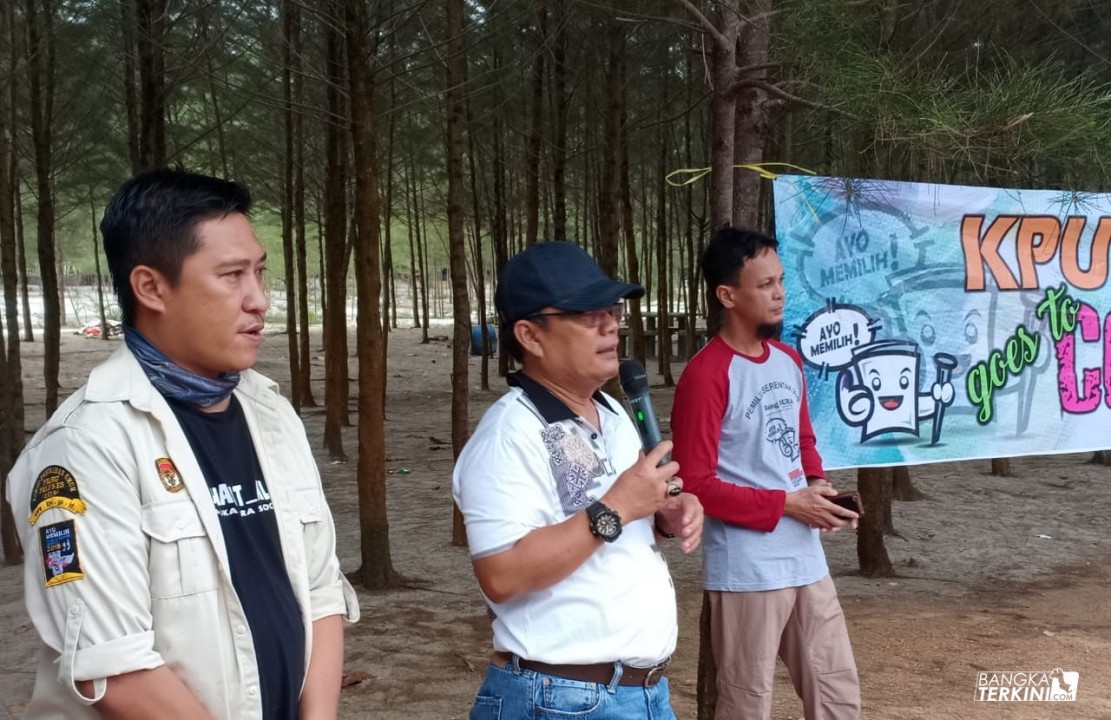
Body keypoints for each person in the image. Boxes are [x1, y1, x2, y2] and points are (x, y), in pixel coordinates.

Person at [6, 169, 359, 719]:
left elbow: (319, 594)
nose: (259, 300)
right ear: (151, 287)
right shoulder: (86, 448)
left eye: (259, 273)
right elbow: (117, 669)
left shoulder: (270, 412)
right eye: (232, 276)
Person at [453, 241, 704, 719]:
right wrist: (617, 507)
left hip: (640, 694)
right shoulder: (509, 434)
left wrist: (665, 515)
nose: (610, 324)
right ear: (530, 335)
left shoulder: (612, 412)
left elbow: (618, 523)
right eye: (585, 314)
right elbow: (501, 575)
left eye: (610, 309)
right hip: (559, 700)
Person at [670, 227, 862, 720]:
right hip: (748, 571)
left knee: (837, 691)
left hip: (806, 559)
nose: (779, 294)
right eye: (764, 285)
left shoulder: (787, 360)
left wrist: (818, 489)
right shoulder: (705, 374)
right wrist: (786, 504)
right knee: (747, 703)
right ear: (727, 295)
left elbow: (802, 445)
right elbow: (696, 485)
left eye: (780, 281)